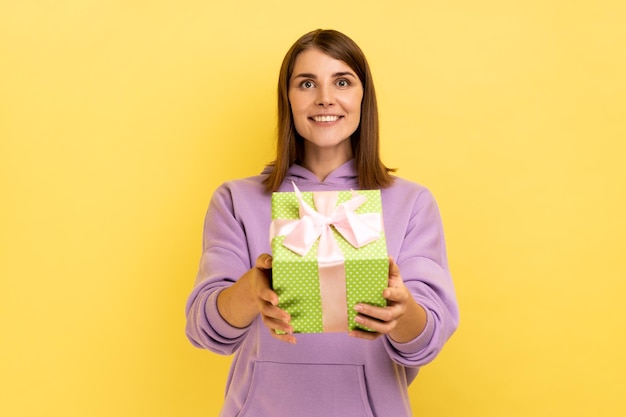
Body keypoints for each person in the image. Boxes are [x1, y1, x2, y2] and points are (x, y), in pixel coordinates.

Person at [185, 29, 459, 417]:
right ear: (288, 99)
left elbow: (428, 339)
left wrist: (402, 311)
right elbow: (206, 331)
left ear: (363, 97)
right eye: (307, 83)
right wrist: (252, 290)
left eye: (342, 81)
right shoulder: (236, 200)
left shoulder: (411, 202)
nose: (325, 98)